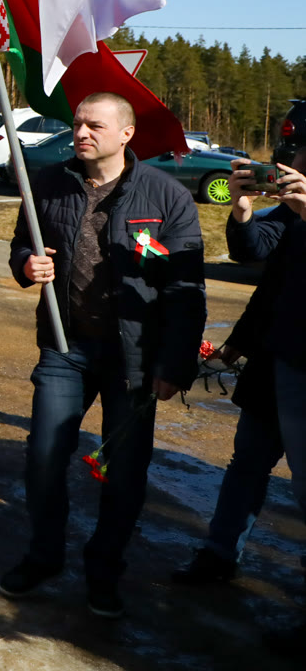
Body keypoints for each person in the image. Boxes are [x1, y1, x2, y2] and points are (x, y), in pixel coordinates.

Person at [0, 93, 205, 617]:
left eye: (95, 124)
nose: (82, 131)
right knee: (43, 458)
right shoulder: (47, 183)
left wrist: (173, 366)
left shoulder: (165, 195)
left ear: (126, 134)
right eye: (78, 123)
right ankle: (44, 557)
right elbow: (22, 245)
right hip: (65, 348)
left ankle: (104, 571)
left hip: (134, 360)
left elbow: (185, 288)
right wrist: (27, 265)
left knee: (124, 472)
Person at [189, 148, 306, 654]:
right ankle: (219, 554)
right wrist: (240, 210)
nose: (290, 172)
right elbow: (253, 252)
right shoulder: (291, 209)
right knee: (246, 463)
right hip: (272, 358)